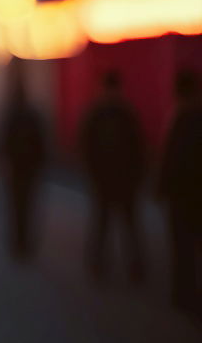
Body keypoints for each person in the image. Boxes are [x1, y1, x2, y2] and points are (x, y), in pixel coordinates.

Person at [78, 69, 147, 284]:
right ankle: (133, 268)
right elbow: (139, 149)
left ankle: (100, 266)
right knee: (127, 226)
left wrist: (92, 174)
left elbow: (85, 147)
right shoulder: (127, 113)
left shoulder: (97, 113)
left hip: (106, 181)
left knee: (104, 224)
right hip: (123, 181)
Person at [155, 68, 202, 318]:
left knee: (182, 248)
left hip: (181, 198)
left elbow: (169, 160)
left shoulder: (180, 118)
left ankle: (183, 294)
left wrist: (161, 189)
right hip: (193, 196)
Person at [0, 58, 47, 261]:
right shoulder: (32, 114)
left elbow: (1, 142)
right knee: (28, 206)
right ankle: (24, 243)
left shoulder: (10, 114)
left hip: (16, 169)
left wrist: (1, 163)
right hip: (29, 169)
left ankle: (18, 243)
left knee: (16, 207)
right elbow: (41, 143)